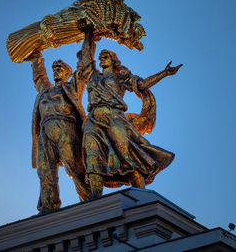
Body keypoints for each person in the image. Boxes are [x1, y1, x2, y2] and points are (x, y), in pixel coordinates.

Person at [80, 25, 182, 198]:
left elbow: (141, 85)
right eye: (100, 57)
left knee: (127, 153)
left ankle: (141, 195)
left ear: (113, 60)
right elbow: (85, 56)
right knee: (92, 154)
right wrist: (88, 33)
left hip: (114, 117)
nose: (102, 58)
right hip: (94, 119)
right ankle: (94, 198)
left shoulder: (121, 76)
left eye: (106, 56)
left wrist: (164, 73)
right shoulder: (93, 76)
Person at [26, 47, 92, 213]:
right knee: (45, 170)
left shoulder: (72, 87)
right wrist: (36, 59)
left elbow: (84, 68)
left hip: (66, 129)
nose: (56, 71)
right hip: (45, 133)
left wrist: (88, 37)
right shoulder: (46, 91)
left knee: (75, 168)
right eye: (54, 69)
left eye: (60, 69)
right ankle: (49, 205)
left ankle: (90, 200)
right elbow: (39, 77)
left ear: (67, 73)